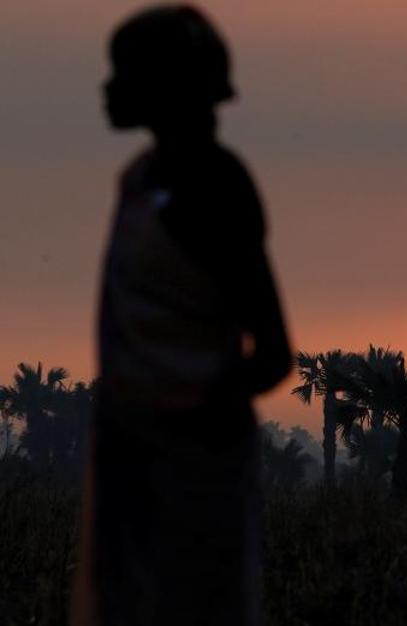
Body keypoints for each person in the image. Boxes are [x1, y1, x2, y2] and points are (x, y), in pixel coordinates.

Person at [71, 5, 292, 625]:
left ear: (166, 87)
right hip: (134, 460)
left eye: (125, 74)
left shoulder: (216, 190)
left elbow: (273, 351)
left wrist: (188, 416)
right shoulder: (140, 181)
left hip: (193, 476)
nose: (108, 88)